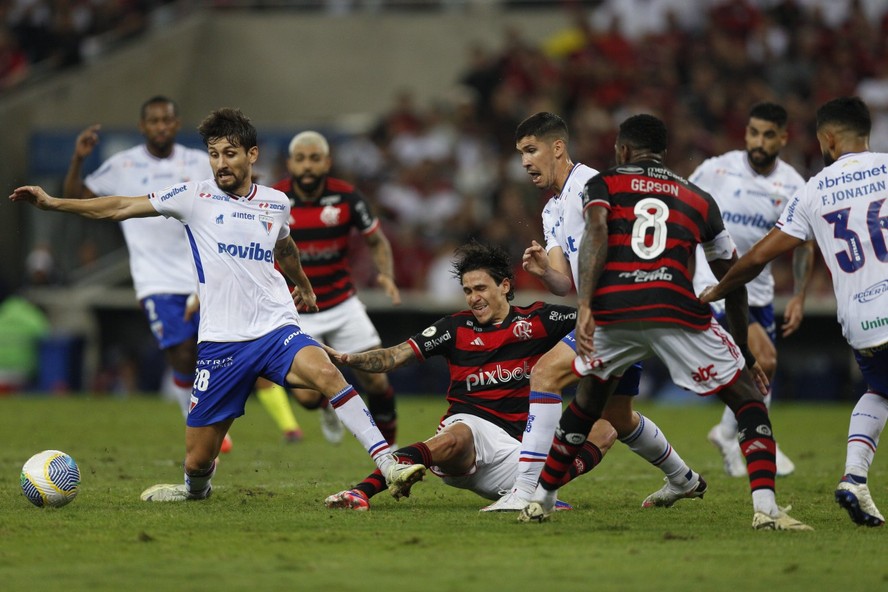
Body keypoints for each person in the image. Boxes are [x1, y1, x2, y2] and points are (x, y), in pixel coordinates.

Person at [11, 107, 420, 502]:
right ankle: (195, 490)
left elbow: (286, 247)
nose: (220, 163)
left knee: (328, 374)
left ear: (251, 155)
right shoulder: (193, 197)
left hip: (276, 329)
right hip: (222, 343)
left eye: (229, 153)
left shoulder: (276, 202)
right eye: (213, 154)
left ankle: (388, 464)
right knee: (198, 458)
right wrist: (53, 203)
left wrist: (304, 285)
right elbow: (120, 206)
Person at [519, 113, 811, 531]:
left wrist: (587, 308)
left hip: (616, 310)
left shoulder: (601, 185)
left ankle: (539, 498)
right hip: (675, 307)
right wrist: (744, 350)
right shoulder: (697, 197)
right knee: (746, 401)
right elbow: (735, 272)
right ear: (665, 153)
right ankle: (765, 509)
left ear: (621, 151)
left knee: (586, 402)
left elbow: (597, 236)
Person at [488, 111, 704, 512]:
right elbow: (564, 282)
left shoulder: (591, 184)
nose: (525, 162)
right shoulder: (552, 209)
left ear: (558, 148)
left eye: (531, 150)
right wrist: (543, 271)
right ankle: (684, 480)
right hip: (613, 309)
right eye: (520, 153)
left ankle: (524, 491)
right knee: (618, 417)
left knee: (545, 372)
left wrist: (593, 302)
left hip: (620, 307)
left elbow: (611, 240)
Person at [63, 96, 304, 447]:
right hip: (155, 280)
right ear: (143, 127)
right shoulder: (122, 165)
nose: (161, 126)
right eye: (154, 121)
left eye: (167, 120)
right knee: (181, 353)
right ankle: (196, 424)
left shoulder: (199, 160)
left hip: (205, 274)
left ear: (176, 125)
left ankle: (288, 426)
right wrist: (79, 159)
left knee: (247, 345)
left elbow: (232, 193)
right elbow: (81, 199)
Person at [700, 96, 888, 528]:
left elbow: (756, 257)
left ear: (827, 139)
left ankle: (855, 478)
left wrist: (719, 288)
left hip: (860, 323)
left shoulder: (814, 188)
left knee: (878, 390)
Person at [322, 241, 616, 510]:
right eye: (467, 291)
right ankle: (360, 491)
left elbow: (596, 319)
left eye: (480, 288)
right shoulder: (454, 328)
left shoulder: (539, 320)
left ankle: (540, 491)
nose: (473, 298)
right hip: (471, 433)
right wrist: (349, 359)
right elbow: (394, 356)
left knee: (605, 429)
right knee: (458, 436)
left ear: (504, 285)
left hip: (521, 450)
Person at [690, 102, 814, 478]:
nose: (759, 141)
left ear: (783, 138)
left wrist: (799, 294)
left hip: (759, 291)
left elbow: (806, 242)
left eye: (768, 135)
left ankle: (728, 433)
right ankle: (759, 443)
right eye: (753, 132)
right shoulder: (717, 169)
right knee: (766, 360)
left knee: (760, 370)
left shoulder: (794, 184)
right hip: (716, 283)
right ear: (746, 133)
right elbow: (679, 207)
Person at [271, 130, 403, 445]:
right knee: (305, 396)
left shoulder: (348, 198)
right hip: (295, 309)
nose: (307, 166)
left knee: (376, 378)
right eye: (300, 159)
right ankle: (327, 405)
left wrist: (385, 273)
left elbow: (376, 239)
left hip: (342, 302)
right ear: (290, 162)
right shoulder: (274, 199)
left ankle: (391, 452)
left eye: (314, 159)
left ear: (327, 161)